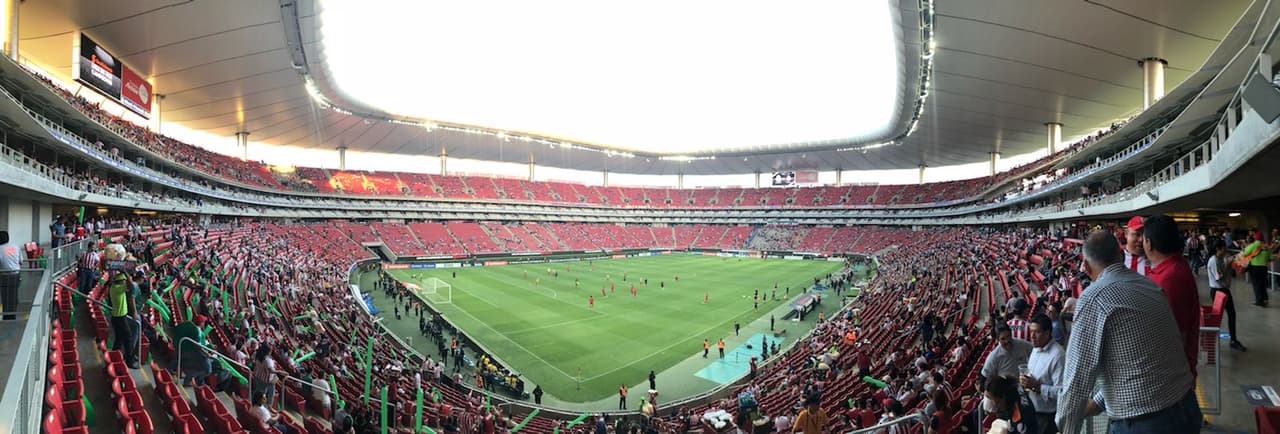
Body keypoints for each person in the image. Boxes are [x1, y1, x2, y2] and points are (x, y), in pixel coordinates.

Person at [1057, 231, 1200, 434]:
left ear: (1086, 266)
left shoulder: (1093, 298)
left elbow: (1076, 380)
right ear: (1121, 256)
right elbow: (1137, 365)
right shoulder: (1149, 285)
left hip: (1145, 424)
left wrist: (1066, 428)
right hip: (1187, 408)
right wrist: (1097, 403)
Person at [1142, 215, 1202, 376]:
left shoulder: (1171, 278)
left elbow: (1174, 333)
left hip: (1170, 375)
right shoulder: (1168, 269)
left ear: (1149, 243)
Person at [1021, 314, 1064, 434]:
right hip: (1031, 410)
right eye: (1031, 331)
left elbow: (1062, 392)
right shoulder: (1035, 348)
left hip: (1047, 416)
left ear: (1047, 333)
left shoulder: (1058, 356)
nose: (1032, 336)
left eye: (1037, 332)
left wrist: (1037, 386)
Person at [1206, 241, 1246, 351]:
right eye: (1224, 249)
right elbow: (1219, 277)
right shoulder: (1213, 261)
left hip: (1224, 289)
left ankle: (1233, 340)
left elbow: (1227, 264)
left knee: (1231, 314)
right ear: (1218, 249)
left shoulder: (1221, 259)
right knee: (1217, 317)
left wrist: (1234, 260)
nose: (1226, 251)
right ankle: (1212, 340)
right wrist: (1229, 266)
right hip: (1218, 291)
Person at [979, 324, 1032, 389]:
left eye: (1008, 336)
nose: (1007, 341)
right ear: (998, 340)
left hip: (1026, 386)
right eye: (1003, 339)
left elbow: (1036, 351)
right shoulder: (993, 357)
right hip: (1008, 391)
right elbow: (983, 380)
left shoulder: (1022, 344)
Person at [107, 268, 141, 368]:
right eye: (124, 281)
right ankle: (129, 361)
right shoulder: (118, 288)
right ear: (120, 281)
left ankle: (113, 357)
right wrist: (125, 272)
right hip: (120, 318)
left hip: (117, 317)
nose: (125, 282)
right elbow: (131, 286)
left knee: (119, 339)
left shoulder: (114, 287)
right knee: (128, 338)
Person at [1241, 232, 1272, 306]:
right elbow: (1270, 258)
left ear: (1255, 238)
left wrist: (1244, 248)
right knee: (1263, 284)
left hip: (1255, 268)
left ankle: (1259, 301)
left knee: (1256, 284)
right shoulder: (1266, 246)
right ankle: (1265, 299)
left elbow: (1245, 253)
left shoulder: (1253, 245)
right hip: (1264, 267)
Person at [0, 231, 19, 321]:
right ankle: (12, 316)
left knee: (5, 297)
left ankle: (7, 317)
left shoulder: (0, 248)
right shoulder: (15, 247)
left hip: (5, 276)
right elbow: (20, 261)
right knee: (13, 297)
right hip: (16, 275)